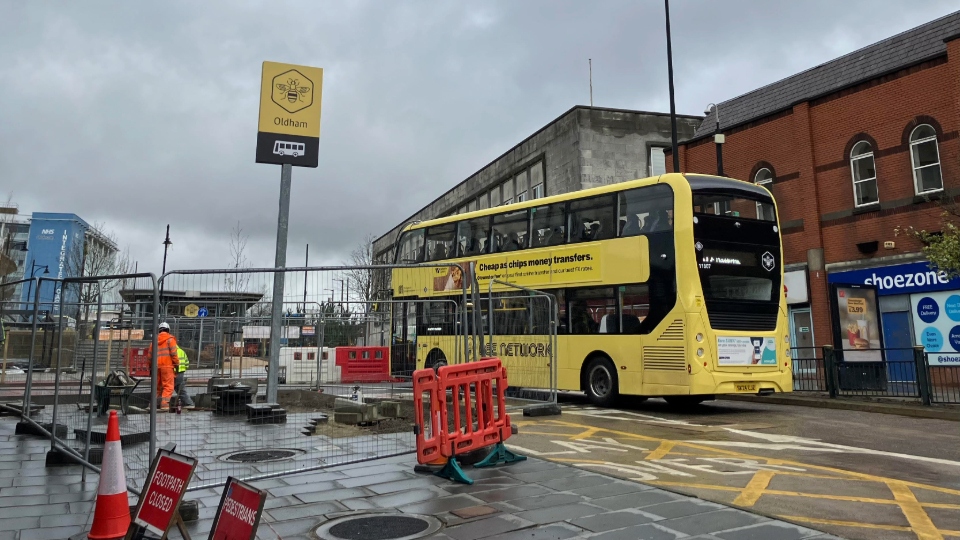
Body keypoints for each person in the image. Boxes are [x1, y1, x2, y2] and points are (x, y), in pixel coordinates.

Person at [147, 322, 178, 411]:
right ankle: (164, 405)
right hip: (167, 367)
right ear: (168, 330)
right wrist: (177, 364)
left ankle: (152, 405)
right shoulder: (170, 339)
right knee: (168, 386)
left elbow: (149, 357)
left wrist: (150, 368)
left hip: (156, 367)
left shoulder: (153, 341)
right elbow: (174, 354)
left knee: (156, 387)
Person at [174, 345, 195, 409]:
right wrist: (183, 369)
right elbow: (187, 363)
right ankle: (189, 403)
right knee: (181, 389)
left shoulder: (171, 351)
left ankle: (161, 404)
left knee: (166, 389)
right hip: (181, 373)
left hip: (173, 372)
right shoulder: (181, 351)